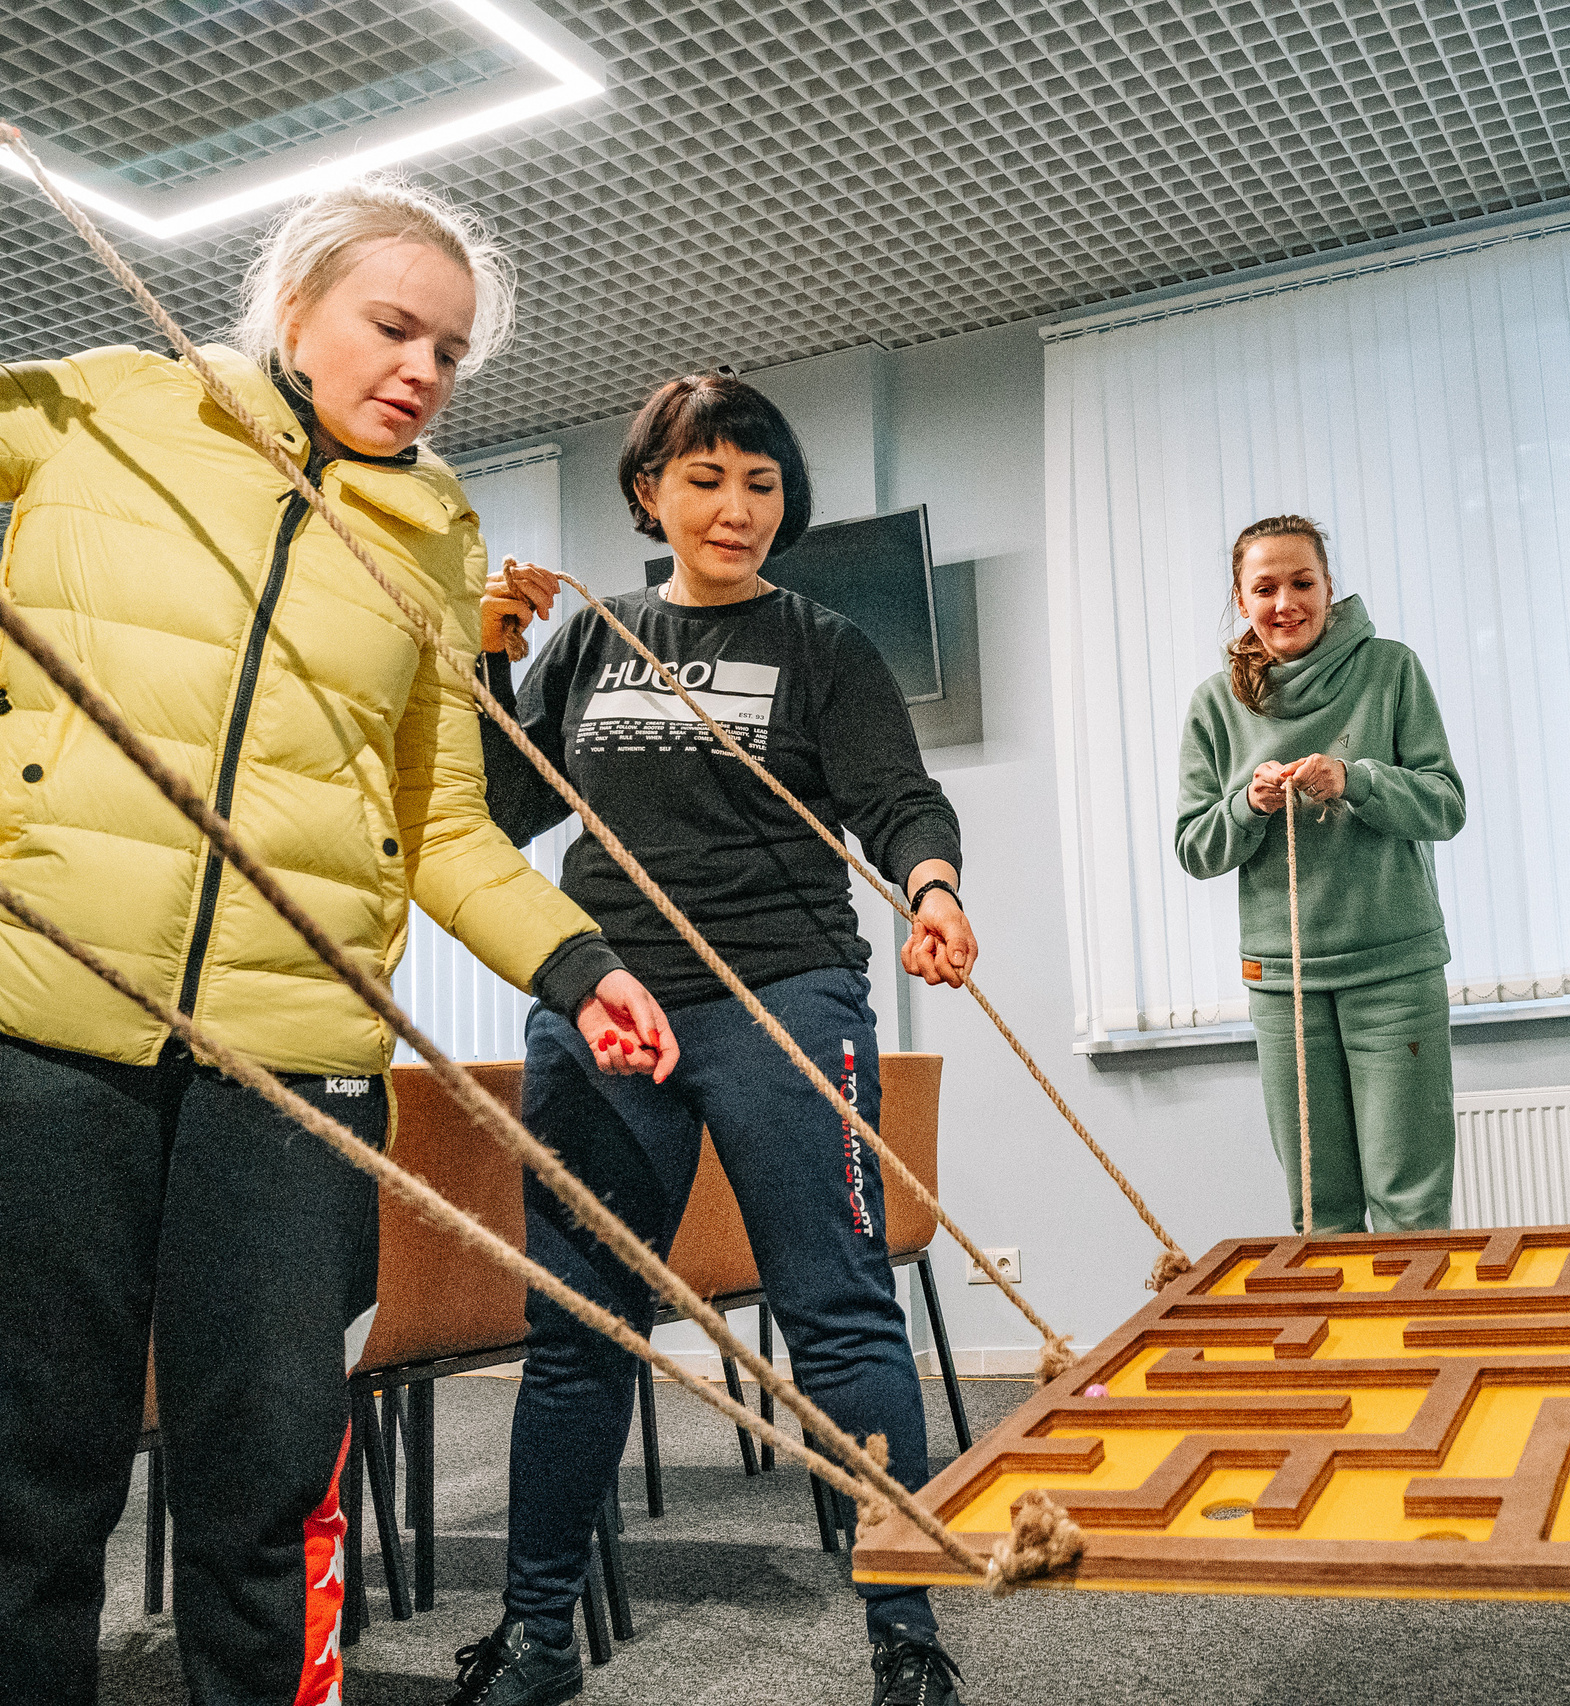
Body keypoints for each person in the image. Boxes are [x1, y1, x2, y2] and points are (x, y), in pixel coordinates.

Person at [0, 177, 676, 1706]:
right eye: (394, 326)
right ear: (292, 307)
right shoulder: (103, 412)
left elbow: (443, 827)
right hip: (48, 1026)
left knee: (262, 1479)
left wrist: (580, 963)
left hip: (295, 1059)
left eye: (450, 350)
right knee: (34, 1476)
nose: (424, 370)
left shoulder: (430, 535)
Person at [450, 372, 975, 1706]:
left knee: (840, 1319)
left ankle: (906, 1635)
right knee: (580, 1329)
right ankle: (534, 1641)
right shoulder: (593, 642)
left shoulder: (824, 645)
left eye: (760, 479)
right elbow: (504, 809)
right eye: (704, 476)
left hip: (784, 993)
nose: (735, 505)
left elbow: (899, 800)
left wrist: (934, 892)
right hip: (604, 1005)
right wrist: (488, 658)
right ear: (649, 492)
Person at [1175, 515, 1467, 1235]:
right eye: (1265, 588)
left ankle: (1418, 1348)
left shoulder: (1391, 669)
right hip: (1286, 984)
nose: (1285, 603)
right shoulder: (1217, 704)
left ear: (1329, 587)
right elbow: (1195, 847)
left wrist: (1358, 781)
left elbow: (1445, 805)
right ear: (1241, 601)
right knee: (1319, 1210)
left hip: (1395, 972)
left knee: (1411, 1207)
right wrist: (1247, 806)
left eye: (1302, 583)